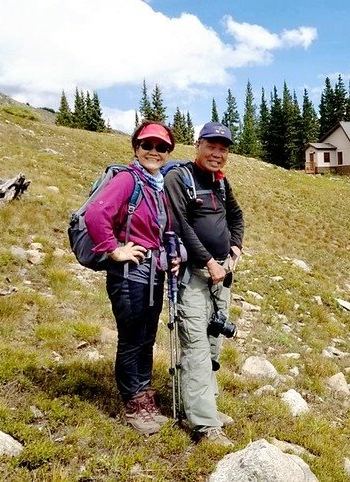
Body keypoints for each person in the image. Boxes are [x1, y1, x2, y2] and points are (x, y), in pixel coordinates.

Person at [84, 120, 179, 435]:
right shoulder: (128, 179)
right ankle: (133, 403)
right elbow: (96, 213)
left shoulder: (158, 184)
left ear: (168, 151)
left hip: (153, 273)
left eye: (161, 146)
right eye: (147, 145)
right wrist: (114, 250)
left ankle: (146, 399)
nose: (154, 151)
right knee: (131, 338)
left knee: (147, 337)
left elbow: (162, 228)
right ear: (136, 148)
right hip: (128, 274)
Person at [164, 122, 244, 447]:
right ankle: (205, 427)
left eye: (223, 148)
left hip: (221, 276)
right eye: (212, 146)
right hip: (193, 277)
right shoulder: (178, 178)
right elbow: (179, 225)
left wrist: (235, 249)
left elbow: (237, 217)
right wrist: (208, 262)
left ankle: (203, 406)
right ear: (197, 145)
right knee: (196, 347)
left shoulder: (220, 183)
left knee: (213, 344)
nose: (218, 153)